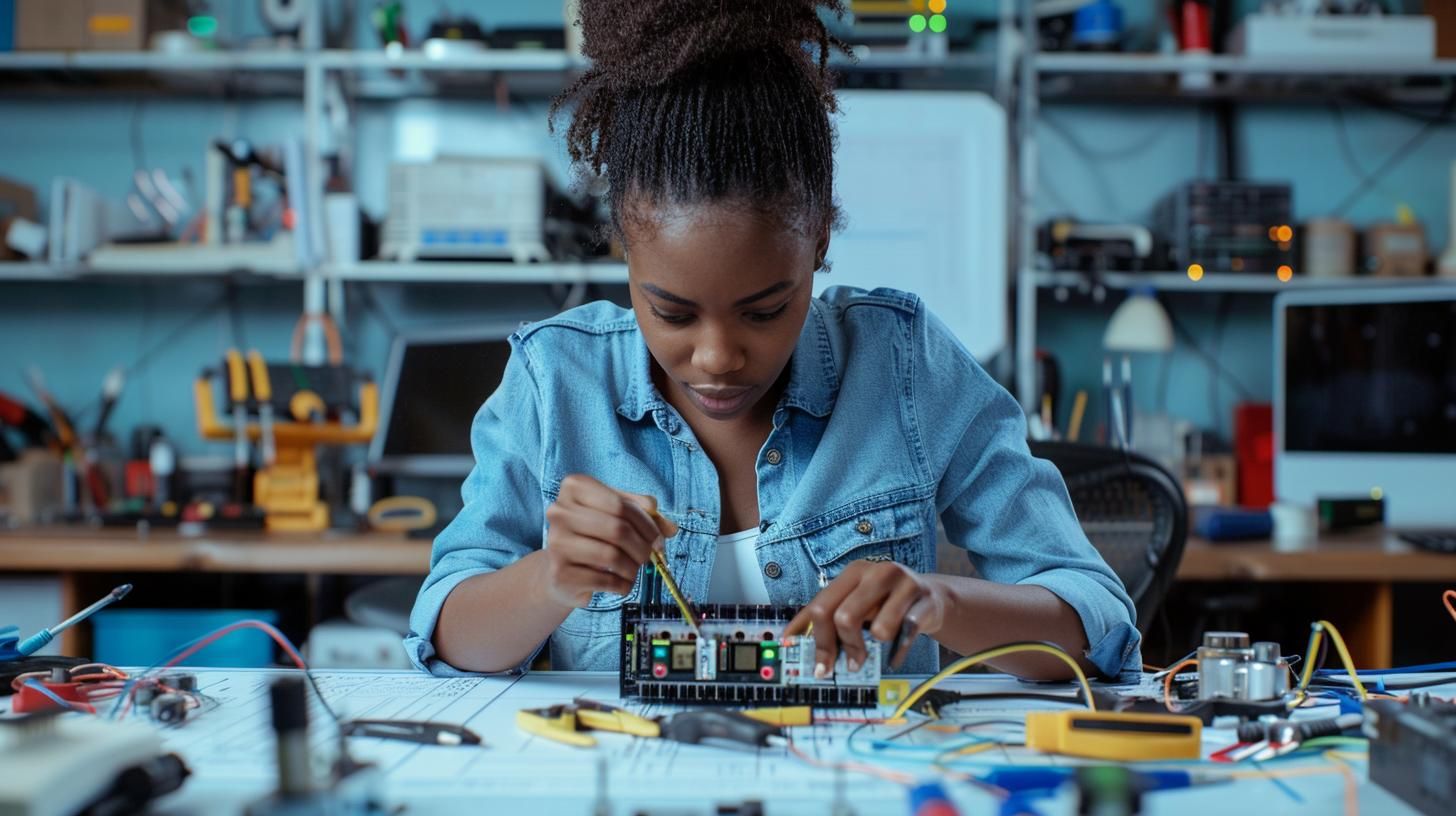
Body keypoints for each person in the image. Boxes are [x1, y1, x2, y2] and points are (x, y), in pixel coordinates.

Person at [406, 0, 1139, 681]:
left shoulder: (903, 361)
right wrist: (548, 579)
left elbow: (1096, 622)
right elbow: (444, 639)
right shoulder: (553, 378)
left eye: (765, 311)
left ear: (818, 240)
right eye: (674, 313)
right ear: (624, 251)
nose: (719, 357)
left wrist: (936, 602)